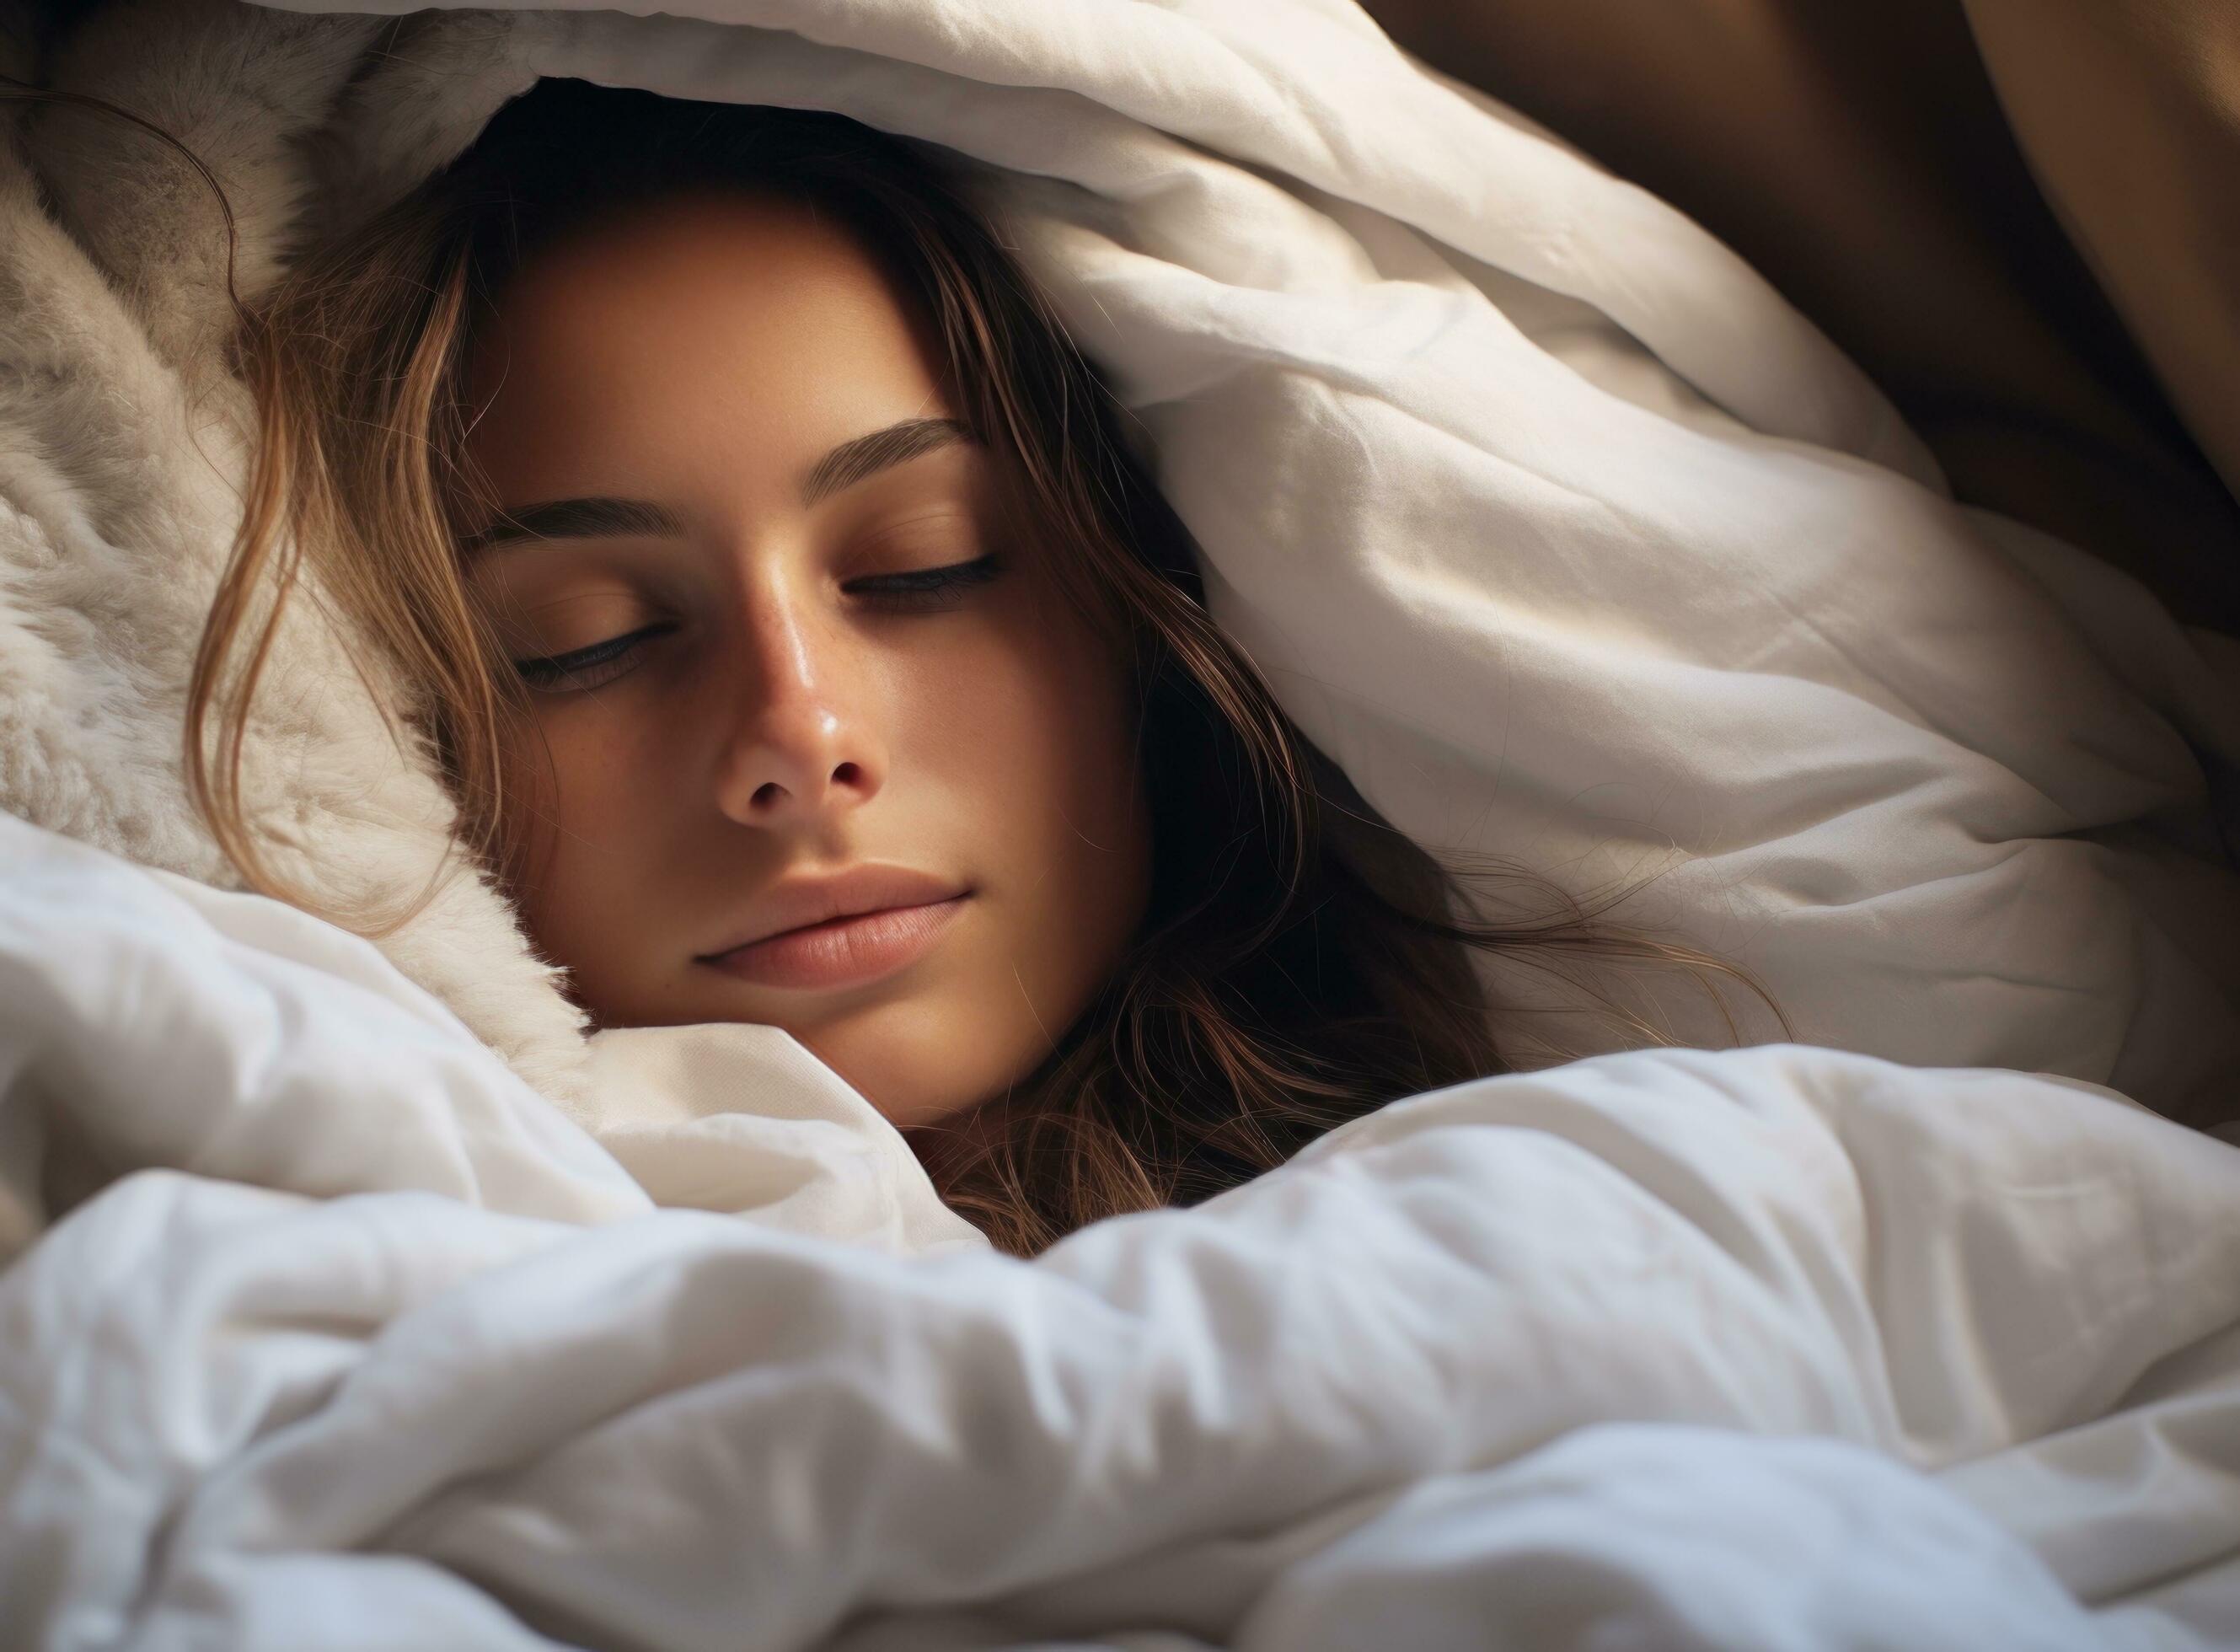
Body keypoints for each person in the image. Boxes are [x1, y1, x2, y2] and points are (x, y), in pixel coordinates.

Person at [188, 79, 1776, 1252]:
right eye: (587, 643)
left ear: (1136, 615)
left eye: (920, 566)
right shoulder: (315, 1250)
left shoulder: (1576, 1209)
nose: (798, 735)